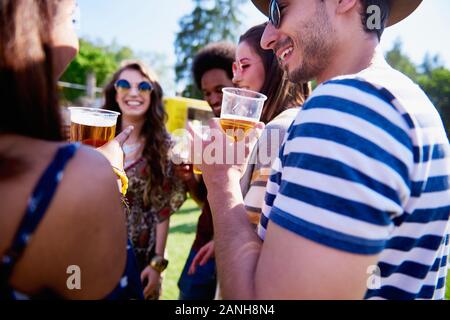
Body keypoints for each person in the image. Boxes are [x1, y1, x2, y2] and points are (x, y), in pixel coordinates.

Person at [196, 0, 450, 300]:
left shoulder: (347, 107)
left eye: (279, 8)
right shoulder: (403, 101)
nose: (267, 38)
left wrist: (221, 181)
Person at [0, 0, 143, 299]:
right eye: (73, 17)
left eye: (144, 87)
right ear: (32, 22)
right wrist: (108, 175)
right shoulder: (76, 180)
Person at [188, 23, 310, 275]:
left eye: (244, 65)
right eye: (234, 67)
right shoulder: (283, 125)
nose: (235, 77)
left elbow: (251, 239)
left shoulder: (278, 130)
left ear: (274, 66)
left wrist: (219, 176)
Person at [102, 61, 187, 300]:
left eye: (143, 86)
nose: (133, 92)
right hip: (93, 249)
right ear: (114, 93)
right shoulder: (96, 137)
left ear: (153, 94)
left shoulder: (165, 147)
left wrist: (157, 265)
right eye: (124, 84)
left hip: (140, 260)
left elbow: (162, 211)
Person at [176, 42, 236, 300]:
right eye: (207, 93)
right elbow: (206, 200)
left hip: (232, 250)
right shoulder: (212, 132)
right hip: (202, 244)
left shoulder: (252, 133)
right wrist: (190, 178)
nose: (213, 99)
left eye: (220, 90)